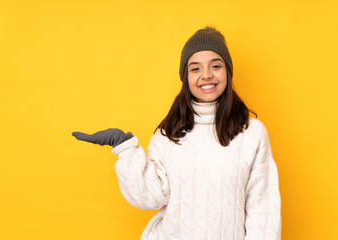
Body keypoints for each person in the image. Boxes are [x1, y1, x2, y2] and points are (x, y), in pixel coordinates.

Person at [72, 27, 281, 240]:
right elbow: (148, 196)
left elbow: (263, 211)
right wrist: (124, 146)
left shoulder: (251, 133)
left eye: (216, 66)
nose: (206, 75)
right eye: (195, 69)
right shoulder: (169, 134)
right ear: (186, 77)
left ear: (227, 71)